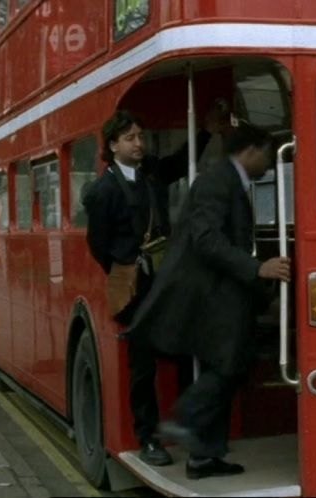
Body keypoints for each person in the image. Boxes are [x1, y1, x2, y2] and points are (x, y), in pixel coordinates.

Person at [127, 121, 291, 480]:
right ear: (250, 151)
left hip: (220, 291)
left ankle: (204, 456)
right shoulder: (218, 181)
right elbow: (206, 239)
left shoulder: (227, 179)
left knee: (233, 362)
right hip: (206, 293)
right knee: (229, 363)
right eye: (266, 155)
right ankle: (184, 419)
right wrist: (257, 268)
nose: (268, 164)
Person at [82, 108, 223, 466]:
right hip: (134, 287)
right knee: (142, 368)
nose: (138, 143)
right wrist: (127, 268)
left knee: (186, 350)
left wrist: (206, 132)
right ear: (113, 145)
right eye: (130, 138)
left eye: (141, 136)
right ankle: (148, 439)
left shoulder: (151, 174)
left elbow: (179, 163)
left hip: (165, 281)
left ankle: (186, 427)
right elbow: (98, 245)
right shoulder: (102, 191)